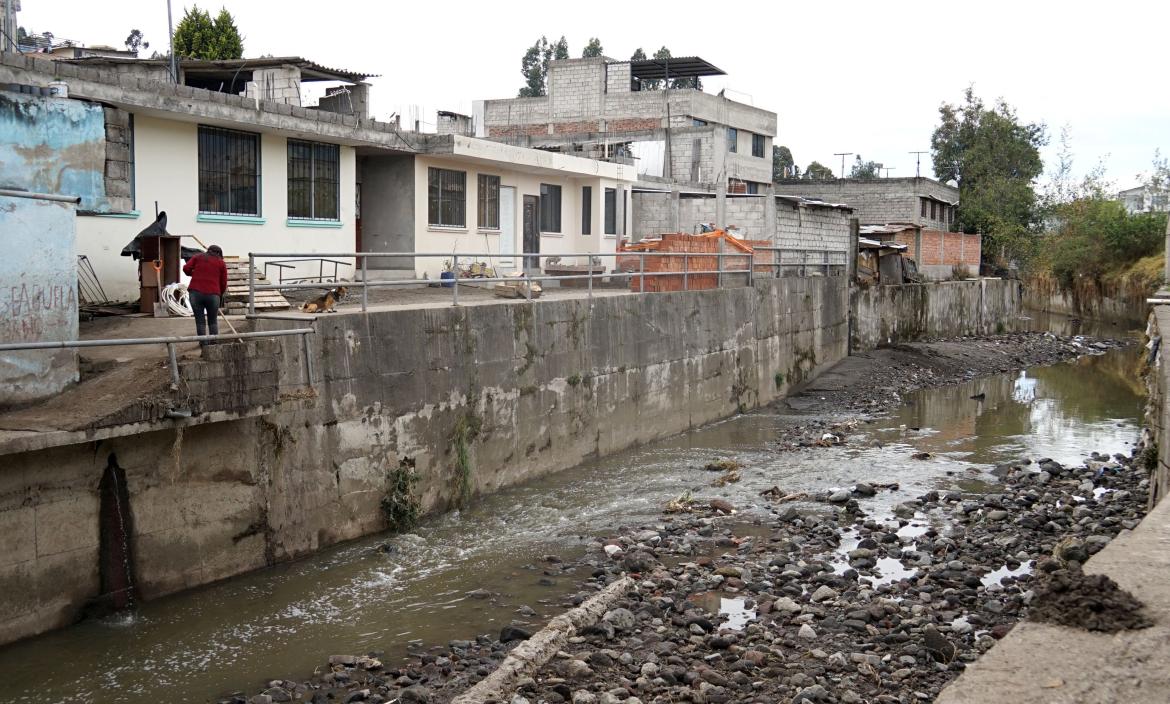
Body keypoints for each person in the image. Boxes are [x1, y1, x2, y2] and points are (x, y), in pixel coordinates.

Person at [183, 245, 229, 343]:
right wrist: (219, 294)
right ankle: (213, 346)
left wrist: (194, 273)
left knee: (200, 321)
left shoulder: (198, 257)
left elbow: (186, 268)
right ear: (218, 253)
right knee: (212, 321)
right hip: (213, 295)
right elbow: (223, 282)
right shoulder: (221, 263)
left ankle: (204, 346)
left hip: (195, 293)